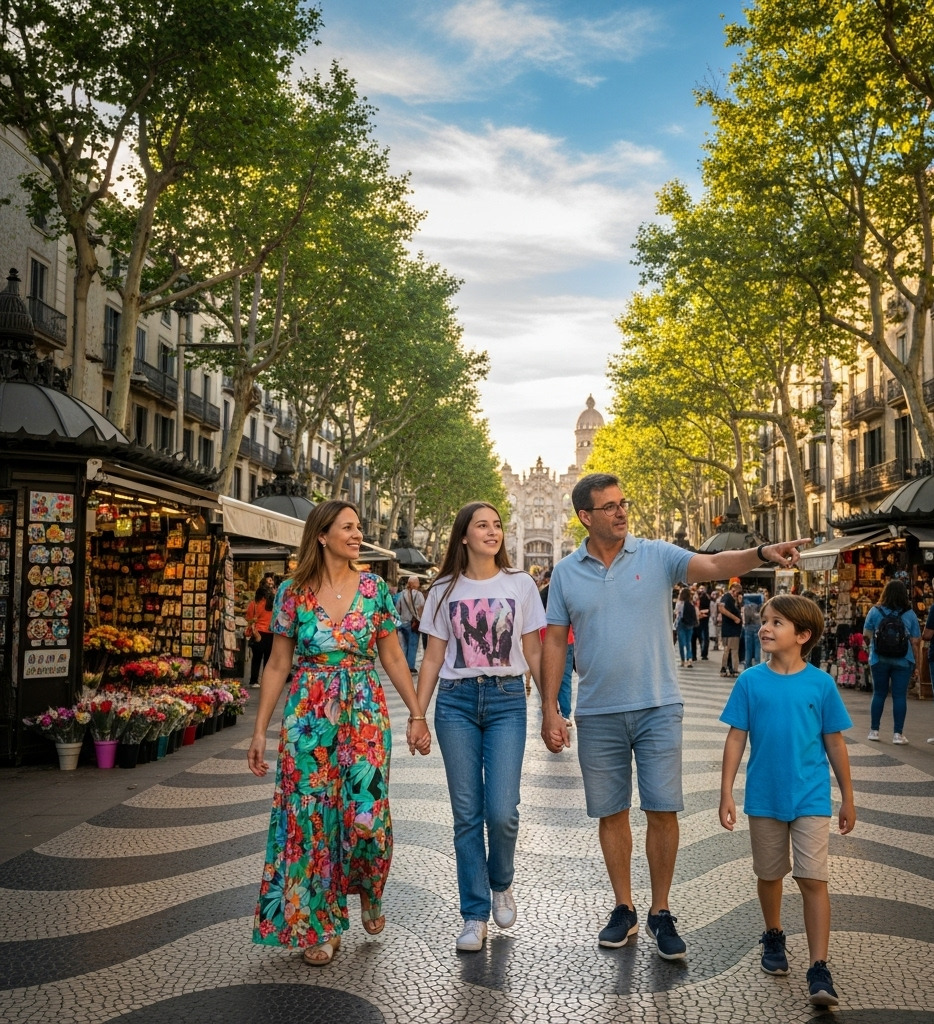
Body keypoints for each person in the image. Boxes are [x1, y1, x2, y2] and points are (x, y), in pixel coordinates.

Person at [540, 473, 809, 961]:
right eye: (610, 507)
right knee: (611, 812)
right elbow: (555, 640)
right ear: (585, 516)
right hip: (597, 709)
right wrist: (550, 708)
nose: (621, 512)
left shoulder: (656, 555)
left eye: (624, 503)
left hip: (659, 705)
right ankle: (624, 907)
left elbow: (712, 563)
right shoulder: (565, 573)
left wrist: (762, 554)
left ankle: (661, 911)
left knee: (663, 809)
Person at [247, 500, 429, 967]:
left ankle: (368, 887)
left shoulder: (374, 589)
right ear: (322, 535)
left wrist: (416, 714)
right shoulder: (292, 592)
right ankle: (323, 926)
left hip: (365, 712)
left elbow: (391, 657)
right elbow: (278, 663)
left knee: (365, 816)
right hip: (309, 716)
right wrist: (259, 730)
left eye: (359, 526)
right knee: (311, 824)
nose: (357, 534)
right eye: (348, 527)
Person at [408, 502, 545, 952]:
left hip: (507, 701)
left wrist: (553, 709)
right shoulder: (443, 589)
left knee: (503, 811)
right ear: (463, 536)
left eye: (497, 525)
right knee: (467, 815)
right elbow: (431, 656)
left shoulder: (521, 584)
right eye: (482, 525)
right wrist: (417, 714)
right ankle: (473, 914)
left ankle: (500, 881)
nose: (493, 531)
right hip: (456, 704)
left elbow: (535, 652)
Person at [719, 594, 855, 1008]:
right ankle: (774, 933)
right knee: (770, 873)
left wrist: (848, 797)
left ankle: (819, 965)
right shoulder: (750, 681)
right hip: (764, 796)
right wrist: (726, 791)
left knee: (814, 879)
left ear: (803, 635)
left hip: (811, 796)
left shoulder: (821, 684)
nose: (765, 627)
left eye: (776, 622)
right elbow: (736, 736)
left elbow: (835, 741)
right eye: (765, 620)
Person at [863, 579, 921, 744]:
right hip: (903, 660)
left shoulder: (875, 611)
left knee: (879, 694)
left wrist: (871, 649)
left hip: (878, 659)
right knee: (899, 696)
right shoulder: (909, 614)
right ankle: (898, 734)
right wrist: (916, 663)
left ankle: (874, 731)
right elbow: (915, 641)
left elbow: (866, 636)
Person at [245, 584, 274, 688]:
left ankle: (254, 681)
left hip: (258, 633)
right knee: (268, 660)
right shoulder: (273, 605)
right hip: (271, 635)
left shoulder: (254, 604)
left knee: (256, 659)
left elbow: (249, 617)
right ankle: (266, 681)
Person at [396, 575, 425, 673]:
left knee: (404, 645)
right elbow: (422, 609)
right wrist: (421, 620)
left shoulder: (401, 594)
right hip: (413, 623)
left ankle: (403, 665)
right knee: (413, 645)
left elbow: (397, 609)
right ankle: (410, 667)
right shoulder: (419, 594)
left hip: (402, 623)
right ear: (416, 584)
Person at [719, 582, 743, 677]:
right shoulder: (727, 597)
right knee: (733, 650)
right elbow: (721, 608)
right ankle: (733, 669)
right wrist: (735, 618)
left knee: (727, 649)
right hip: (732, 628)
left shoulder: (730, 599)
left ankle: (726, 668)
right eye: (737, 592)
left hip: (729, 628)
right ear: (733, 590)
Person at [674, 586, 696, 668]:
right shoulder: (691, 603)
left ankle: (683, 660)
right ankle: (689, 659)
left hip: (681, 624)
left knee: (681, 643)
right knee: (688, 642)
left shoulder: (679, 603)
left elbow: (677, 614)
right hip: (690, 624)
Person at [741, 592, 762, 671]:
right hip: (758, 627)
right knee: (757, 648)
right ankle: (757, 667)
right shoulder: (760, 606)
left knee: (748, 649)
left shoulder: (747, 606)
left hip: (749, 627)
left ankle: (747, 668)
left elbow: (746, 619)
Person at [694, 584, 711, 660]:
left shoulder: (706, 597)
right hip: (697, 620)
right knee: (695, 638)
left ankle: (703, 654)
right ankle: (696, 655)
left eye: (702, 589)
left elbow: (708, 609)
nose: (701, 590)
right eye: (700, 588)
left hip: (703, 620)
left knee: (702, 637)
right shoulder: (695, 597)